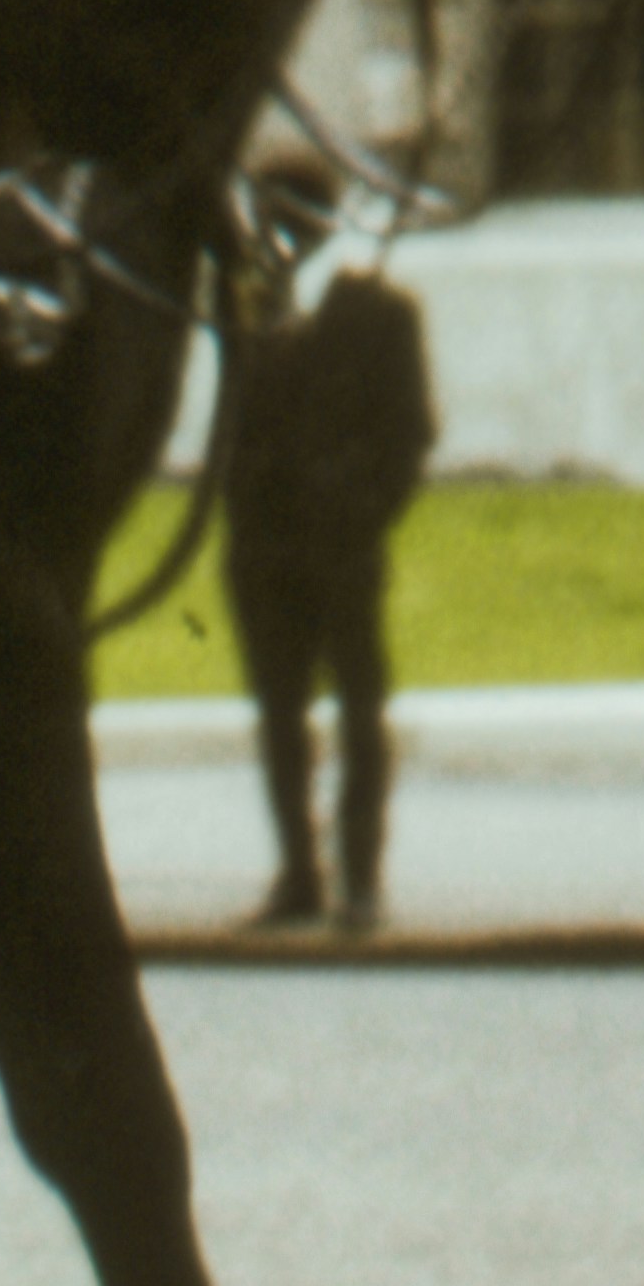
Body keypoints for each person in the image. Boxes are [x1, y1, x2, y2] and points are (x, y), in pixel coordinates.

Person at [218, 171, 436, 937]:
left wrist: (361, 512)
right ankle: (298, 874)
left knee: (357, 711)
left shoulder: (379, 311)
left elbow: (410, 433)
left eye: (281, 222)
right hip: (261, 548)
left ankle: (360, 878)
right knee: (279, 716)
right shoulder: (246, 310)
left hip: (341, 546)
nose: (267, 239)